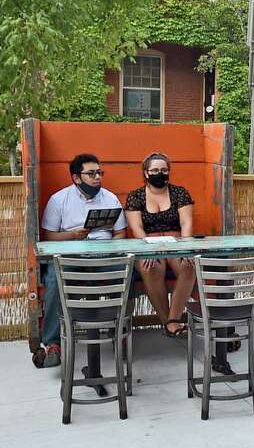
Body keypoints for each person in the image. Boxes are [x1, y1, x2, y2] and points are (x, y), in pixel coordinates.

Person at [34, 153, 128, 383]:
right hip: (70, 255)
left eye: (100, 173)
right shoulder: (59, 200)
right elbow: (48, 236)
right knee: (55, 281)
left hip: (103, 255)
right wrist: (72, 236)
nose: (97, 177)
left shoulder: (109, 198)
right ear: (77, 178)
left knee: (128, 272)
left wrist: (111, 247)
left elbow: (120, 232)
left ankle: (120, 331)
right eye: (91, 173)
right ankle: (53, 344)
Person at [122, 152, 197, 338]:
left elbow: (186, 223)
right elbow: (136, 228)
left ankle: (173, 320)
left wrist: (186, 248)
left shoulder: (180, 192)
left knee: (189, 266)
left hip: (176, 241)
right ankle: (170, 324)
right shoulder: (135, 196)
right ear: (146, 173)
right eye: (155, 170)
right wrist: (148, 250)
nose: (159, 173)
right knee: (151, 268)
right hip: (147, 243)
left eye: (164, 170)